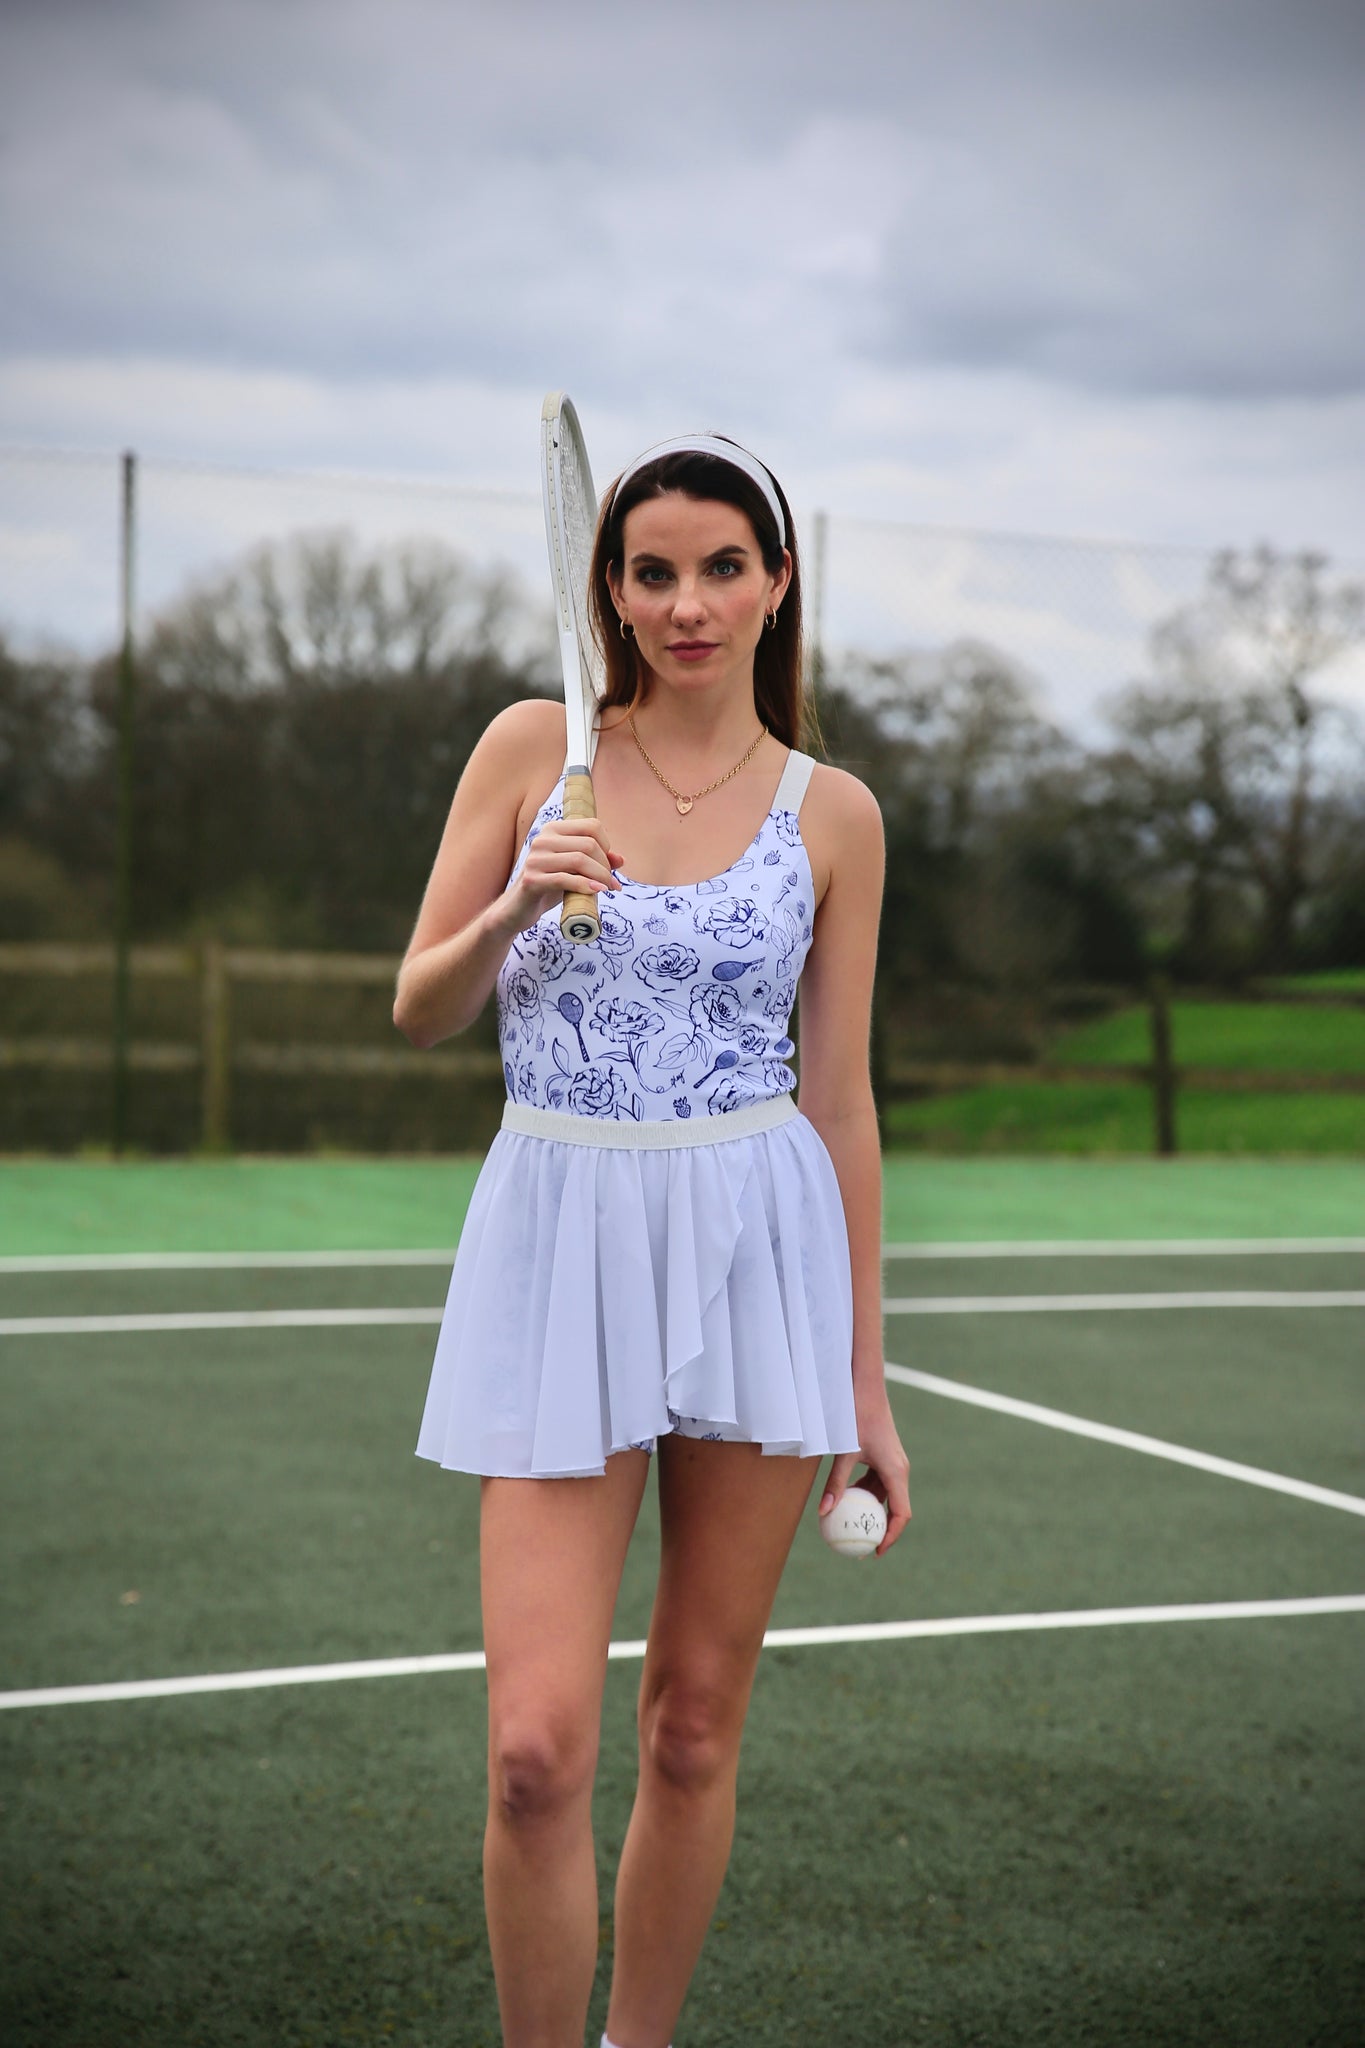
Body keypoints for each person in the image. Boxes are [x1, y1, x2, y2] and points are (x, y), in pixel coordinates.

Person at [393, 431, 912, 2048]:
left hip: (758, 1251)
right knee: (534, 1752)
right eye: (652, 572)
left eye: (721, 568)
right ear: (607, 595)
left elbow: (838, 1102)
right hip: (557, 1244)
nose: (687, 603)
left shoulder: (836, 815)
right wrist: (512, 906)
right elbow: (418, 1009)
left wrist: (865, 1383)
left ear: (774, 585)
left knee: (689, 1730)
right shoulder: (528, 749)